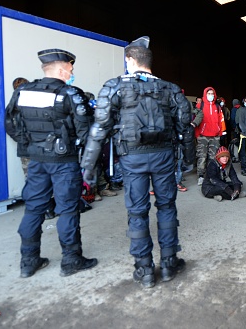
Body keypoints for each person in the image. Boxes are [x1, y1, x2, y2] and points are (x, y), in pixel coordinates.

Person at [80, 36, 195, 288]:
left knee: (137, 212)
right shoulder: (171, 89)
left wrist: (87, 167)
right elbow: (185, 128)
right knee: (166, 208)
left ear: (130, 60)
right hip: (164, 157)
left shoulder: (114, 86)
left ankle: (144, 270)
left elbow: (99, 128)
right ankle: (168, 264)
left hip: (132, 159)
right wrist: (188, 160)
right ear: (150, 62)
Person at [5, 48, 98, 278]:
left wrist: (31, 145)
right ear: (60, 69)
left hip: (36, 161)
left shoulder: (23, 92)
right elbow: (86, 131)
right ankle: (71, 260)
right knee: (67, 210)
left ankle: (28, 262)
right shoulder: (70, 94)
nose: (71, 72)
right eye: (70, 69)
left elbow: (10, 123)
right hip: (63, 161)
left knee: (33, 209)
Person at [195, 87, 226, 186]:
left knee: (213, 157)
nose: (211, 95)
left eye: (212, 93)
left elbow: (221, 121)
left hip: (215, 136)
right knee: (202, 156)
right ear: (205, 94)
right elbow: (195, 121)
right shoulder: (200, 106)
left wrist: (221, 133)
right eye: (209, 93)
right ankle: (201, 176)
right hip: (203, 136)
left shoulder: (217, 107)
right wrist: (197, 134)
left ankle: (211, 175)